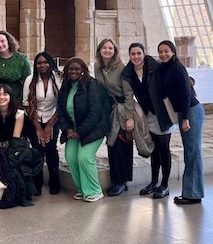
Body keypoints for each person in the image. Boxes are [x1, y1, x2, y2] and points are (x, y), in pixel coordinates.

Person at [122, 43, 175, 199]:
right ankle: (153, 182)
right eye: (133, 54)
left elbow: (171, 78)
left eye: (139, 53)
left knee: (164, 148)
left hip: (162, 113)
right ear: (129, 56)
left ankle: (164, 184)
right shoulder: (128, 73)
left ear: (144, 54)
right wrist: (130, 117)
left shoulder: (156, 67)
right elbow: (128, 97)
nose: (136, 57)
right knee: (155, 150)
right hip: (148, 115)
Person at [56, 58, 110, 203]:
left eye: (77, 69)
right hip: (73, 130)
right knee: (71, 156)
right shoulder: (66, 86)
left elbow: (96, 112)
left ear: (83, 70)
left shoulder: (92, 85)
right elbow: (61, 110)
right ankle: (82, 189)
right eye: (70, 69)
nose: (73, 72)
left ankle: (94, 190)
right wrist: (67, 129)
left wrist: (80, 131)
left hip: (94, 129)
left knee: (84, 157)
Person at [157, 40, 205, 205]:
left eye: (167, 51)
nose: (164, 54)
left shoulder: (177, 68)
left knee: (193, 153)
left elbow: (185, 94)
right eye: (161, 51)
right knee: (189, 152)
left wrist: (185, 118)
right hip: (184, 112)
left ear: (173, 52)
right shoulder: (164, 68)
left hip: (190, 112)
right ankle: (190, 192)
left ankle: (194, 194)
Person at [93, 38, 134, 197]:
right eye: (105, 48)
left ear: (115, 50)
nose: (107, 50)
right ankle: (115, 179)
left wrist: (129, 117)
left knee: (121, 144)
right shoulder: (98, 67)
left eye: (110, 48)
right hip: (108, 109)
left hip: (122, 109)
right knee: (111, 145)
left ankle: (122, 181)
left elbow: (129, 94)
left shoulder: (121, 69)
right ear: (100, 50)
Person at [22, 51, 63, 195]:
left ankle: (54, 183)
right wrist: (39, 128)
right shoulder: (30, 79)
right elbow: (27, 104)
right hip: (34, 120)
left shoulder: (59, 78)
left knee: (51, 150)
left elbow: (61, 104)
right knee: (37, 150)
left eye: (45, 62)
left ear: (51, 63)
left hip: (53, 118)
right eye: (39, 63)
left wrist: (50, 126)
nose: (42, 65)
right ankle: (37, 184)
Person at [0, 83, 25, 192]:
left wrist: (10, 155)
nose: (1, 97)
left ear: (10, 96)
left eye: (5, 94)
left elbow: (16, 137)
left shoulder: (19, 112)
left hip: (15, 144)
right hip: (0, 143)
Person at [0, 30, 31, 105]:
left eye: (3, 41)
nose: (0, 44)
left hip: (16, 101)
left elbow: (27, 83)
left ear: (8, 42)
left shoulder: (21, 59)